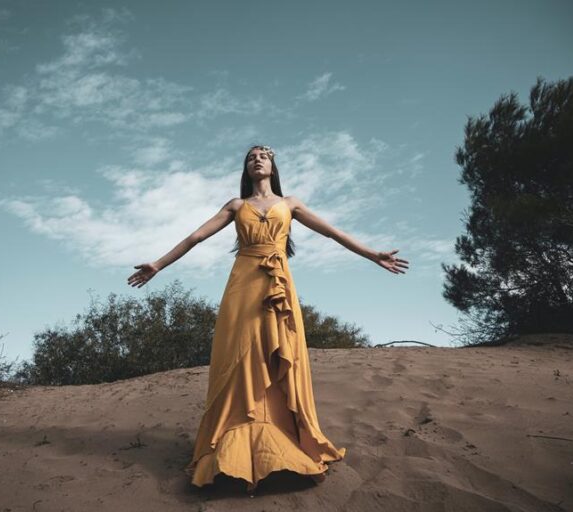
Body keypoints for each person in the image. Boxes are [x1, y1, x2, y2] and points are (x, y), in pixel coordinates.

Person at [127, 145, 409, 493]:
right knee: (240, 356)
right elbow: (195, 237)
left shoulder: (291, 204)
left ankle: (282, 439)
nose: (257, 159)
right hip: (243, 286)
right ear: (245, 169)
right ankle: (232, 443)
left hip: (278, 285)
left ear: (273, 166)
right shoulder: (236, 206)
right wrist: (158, 264)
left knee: (279, 352)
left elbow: (333, 233)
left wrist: (372, 254)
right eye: (251, 157)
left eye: (263, 155)